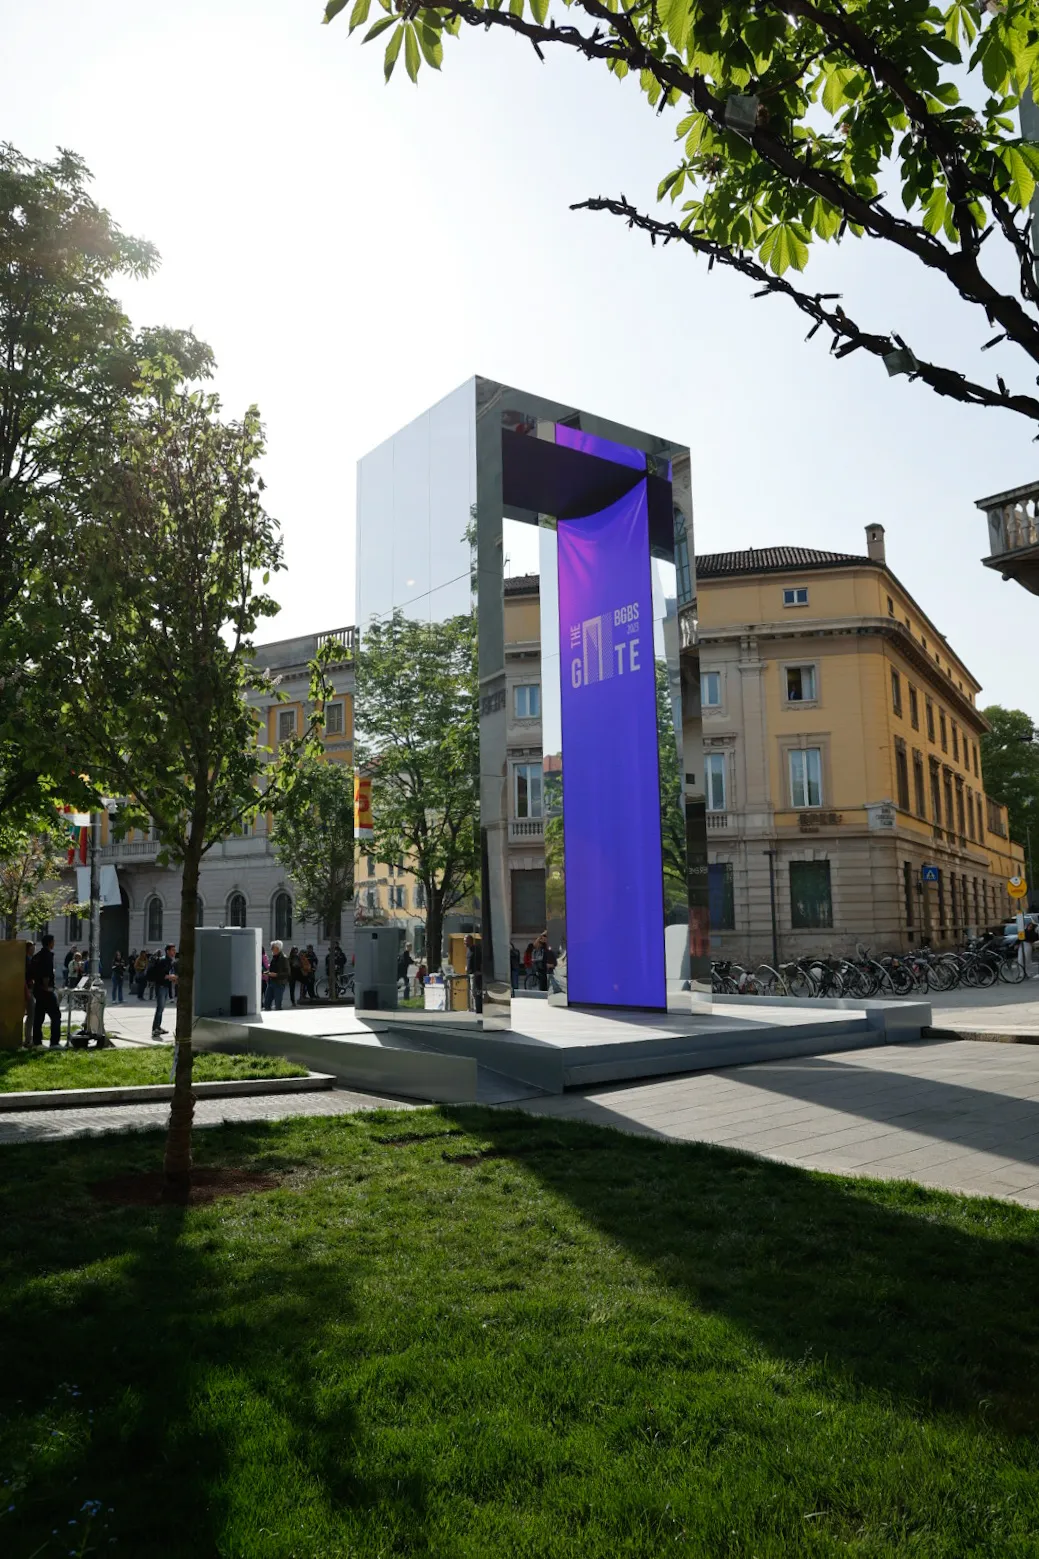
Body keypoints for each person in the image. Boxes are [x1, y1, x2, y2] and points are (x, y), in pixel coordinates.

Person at [29, 934, 62, 1048]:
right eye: (53, 941)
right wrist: (47, 987)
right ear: (49, 943)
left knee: (39, 1017)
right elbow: (46, 973)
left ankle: (37, 1041)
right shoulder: (47, 956)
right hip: (45, 990)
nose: (54, 943)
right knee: (56, 1015)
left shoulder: (36, 956)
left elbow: (31, 973)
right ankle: (54, 1042)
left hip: (37, 990)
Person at [151, 943, 177, 1037]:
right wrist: (171, 977)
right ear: (168, 951)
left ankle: (158, 1027)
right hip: (161, 987)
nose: (174, 952)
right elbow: (160, 975)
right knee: (159, 1008)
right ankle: (155, 1029)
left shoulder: (169, 961)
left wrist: (172, 978)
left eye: (174, 950)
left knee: (161, 1009)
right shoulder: (163, 961)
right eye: (173, 950)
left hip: (165, 986)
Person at [264, 939, 290, 1010]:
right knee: (266, 1003)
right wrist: (268, 973)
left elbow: (287, 973)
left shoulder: (284, 958)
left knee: (278, 1004)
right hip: (271, 983)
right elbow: (272, 969)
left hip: (279, 984)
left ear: (278, 948)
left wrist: (276, 975)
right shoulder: (274, 957)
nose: (271, 949)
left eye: (273, 947)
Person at [464, 933, 483, 1014]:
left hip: (477, 975)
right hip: (471, 975)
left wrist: (479, 971)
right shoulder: (469, 950)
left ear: (471, 941)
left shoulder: (476, 949)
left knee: (477, 993)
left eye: (466, 941)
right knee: (474, 993)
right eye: (464, 941)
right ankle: (477, 1009)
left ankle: (479, 1010)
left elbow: (481, 961)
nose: (464, 943)